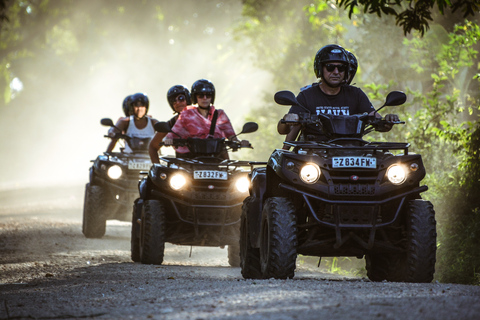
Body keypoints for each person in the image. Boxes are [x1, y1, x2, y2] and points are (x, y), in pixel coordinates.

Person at [277, 44, 399, 147]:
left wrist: (387, 120)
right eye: (330, 67)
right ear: (320, 69)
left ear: (346, 71)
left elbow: (377, 120)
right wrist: (287, 120)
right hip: (313, 154)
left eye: (341, 68)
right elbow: (283, 130)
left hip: (352, 153)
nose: (336, 72)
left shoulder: (355, 94)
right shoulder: (307, 95)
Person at [163, 79, 249, 158]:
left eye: (208, 95)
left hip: (217, 159)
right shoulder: (186, 114)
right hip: (191, 161)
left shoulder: (220, 115)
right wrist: (167, 140)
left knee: (238, 173)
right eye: (200, 96)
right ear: (195, 97)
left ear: (212, 97)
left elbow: (232, 137)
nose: (204, 98)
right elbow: (171, 135)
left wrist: (240, 142)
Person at [148, 85, 191, 163]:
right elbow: (152, 147)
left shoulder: (203, 116)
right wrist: (157, 166)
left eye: (181, 98)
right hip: (183, 166)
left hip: (207, 165)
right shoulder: (172, 123)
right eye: (173, 101)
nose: (177, 103)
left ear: (188, 99)